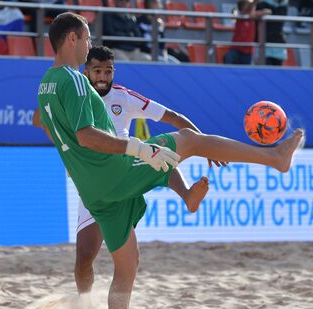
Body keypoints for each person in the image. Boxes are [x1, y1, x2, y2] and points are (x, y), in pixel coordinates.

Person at [37, 11, 304, 309]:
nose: (89, 44)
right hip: (110, 171)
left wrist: (91, 158)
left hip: (92, 189)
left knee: (127, 263)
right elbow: (88, 136)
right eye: (87, 38)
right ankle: (275, 158)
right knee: (190, 140)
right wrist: (136, 147)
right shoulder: (73, 79)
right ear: (72, 38)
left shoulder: (45, 84)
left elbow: (62, 133)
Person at [34, 45, 211, 294]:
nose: (103, 77)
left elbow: (171, 116)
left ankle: (187, 195)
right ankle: (84, 305)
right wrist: (65, 146)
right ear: (86, 71)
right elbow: (40, 118)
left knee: (157, 155)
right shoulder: (73, 93)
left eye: (108, 71)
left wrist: (204, 142)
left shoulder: (124, 97)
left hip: (124, 166)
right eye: (97, 71)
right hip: (92, 181)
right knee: (84, 260)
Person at [224, 0, 271, 65]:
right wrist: (254, 2)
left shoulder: (253, 17)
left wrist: (256, 8)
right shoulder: (239, 16)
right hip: (236, 50)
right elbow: (246, 11)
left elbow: (268, 11)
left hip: (248, 53)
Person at [256, 0, 288, 66]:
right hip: (265, 44)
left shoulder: (284, 5)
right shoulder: (263, 4)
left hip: (278, 44)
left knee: (277, 72)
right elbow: (258, 25)